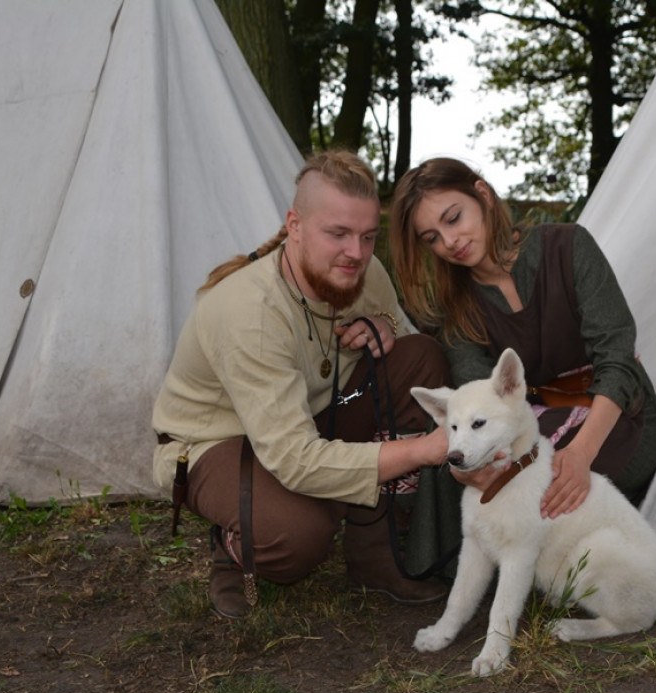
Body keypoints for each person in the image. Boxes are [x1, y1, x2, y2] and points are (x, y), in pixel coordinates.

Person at [152, 150, 450, 619]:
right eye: (337, 234)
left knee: (420, 360)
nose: (356, 253)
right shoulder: (250, 311)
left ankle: (375, 557)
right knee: (299, 538)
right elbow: (294, 458)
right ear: (295, 225)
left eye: (368, 236)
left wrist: (386, 326)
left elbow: (409, 357)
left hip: (309, 417)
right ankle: (236, 542)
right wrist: (422, 451)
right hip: (219, 442)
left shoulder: (365, 273)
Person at [389, 157, 656, 517]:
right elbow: (481, 401)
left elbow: (617, 359)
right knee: (478, 471)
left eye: (454, 218)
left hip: (617, 417)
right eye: (433, 238)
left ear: (483, 194)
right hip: (530, 425)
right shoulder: (455, 307)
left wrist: (580, 454)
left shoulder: (568, 246)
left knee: (541, 487)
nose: (450, 241)